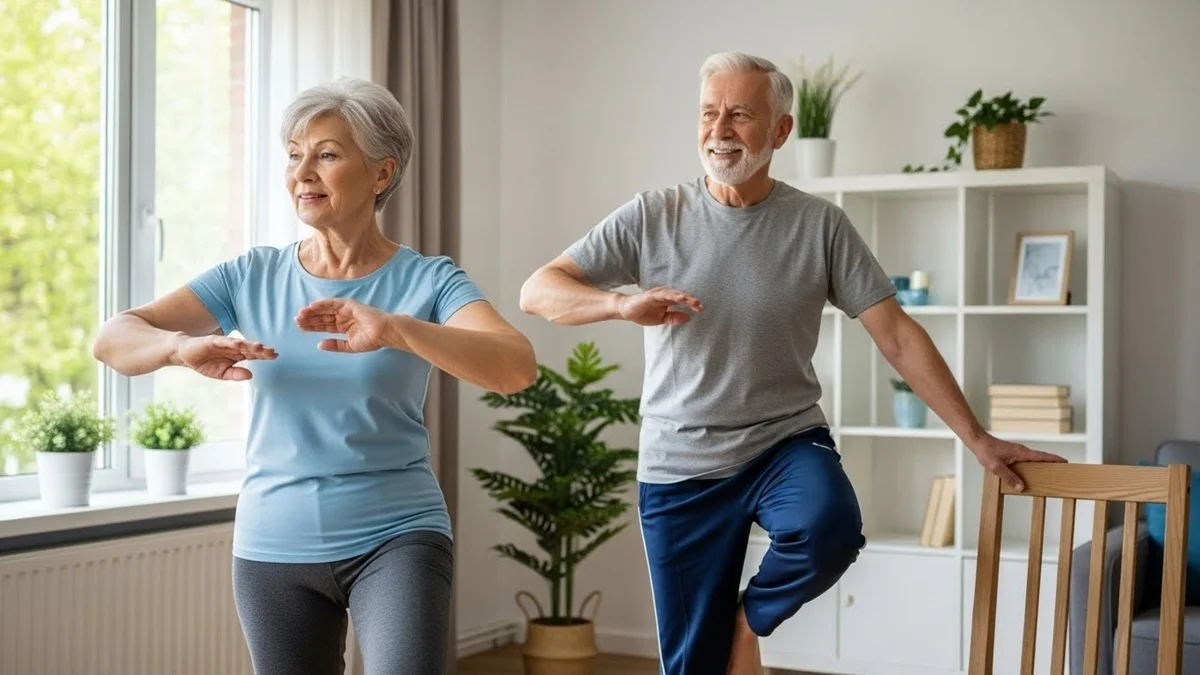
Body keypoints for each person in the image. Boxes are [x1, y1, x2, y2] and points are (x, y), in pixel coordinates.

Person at [518, 52, 1066, 675]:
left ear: (780, 131)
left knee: (828, 529)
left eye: (740, 115)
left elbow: (898, 337)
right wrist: (620, 305)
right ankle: (721, 636)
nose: (719, 130)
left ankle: (744, 621)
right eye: (708, 113)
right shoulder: (652, 216)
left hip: (784, 440)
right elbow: (538, 291)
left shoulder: (819, 225)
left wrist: (979, 440)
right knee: (694, 664)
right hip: (681, 460)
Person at [92, 77, 537, 675]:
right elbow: (113, 337)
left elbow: (515, 364)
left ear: (382, 173)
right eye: (294, 155)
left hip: (397, 534)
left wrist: (397, 329)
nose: (303, 171)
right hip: (273, 544)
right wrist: (179, 348)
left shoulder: (429, 281)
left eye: (326, 154)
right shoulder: (251, 274)